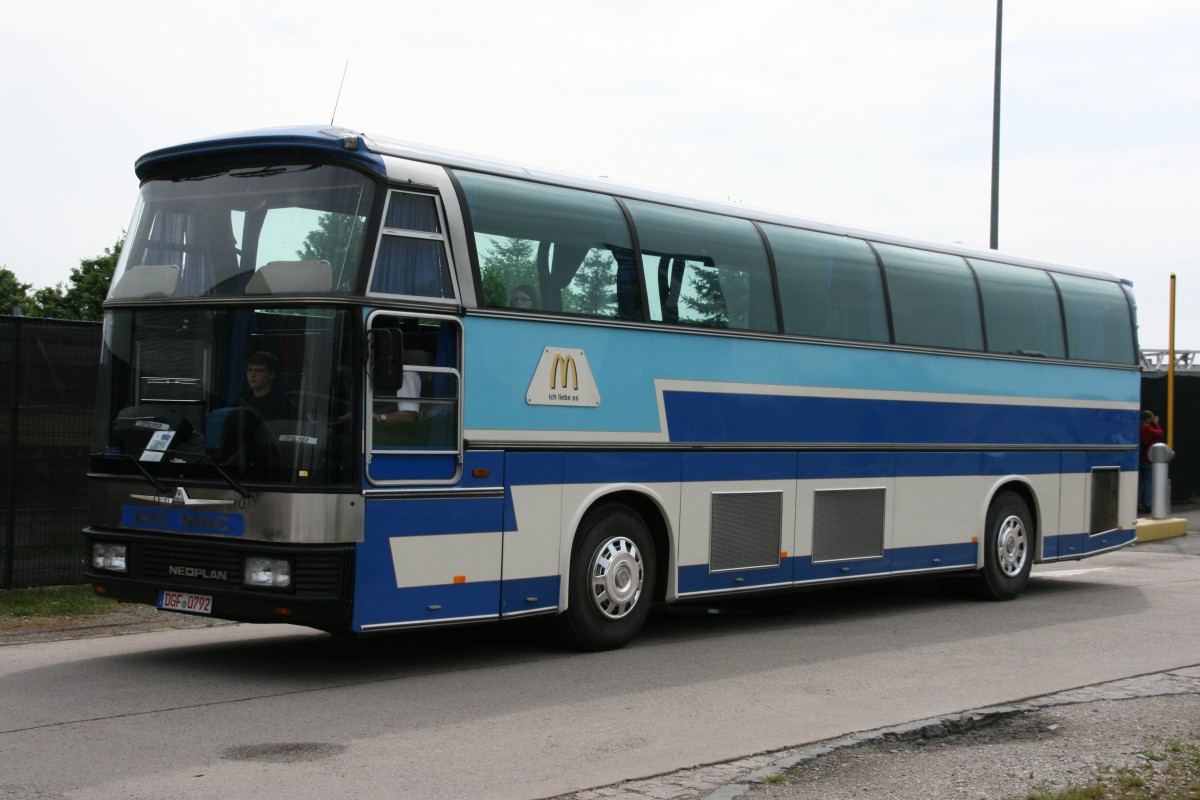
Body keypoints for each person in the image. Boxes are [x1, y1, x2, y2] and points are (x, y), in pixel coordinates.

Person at [240, 351, 288, 420]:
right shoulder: (243, 399)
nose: (252, 375)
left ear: (271, 374)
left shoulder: (278, 404)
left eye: (258, 371)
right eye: (250, 370)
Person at [1139, 409, 1164, 514]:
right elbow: (1159, 433)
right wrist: (1156, 424)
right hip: (1147, 458)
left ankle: (1139, 503)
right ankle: (1148, 504)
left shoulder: (1139, 427)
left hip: (1141, 458)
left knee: (1141, 482)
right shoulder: (1147, 427)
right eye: (1152, 418)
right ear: (1148, 419)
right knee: (1149, 482)